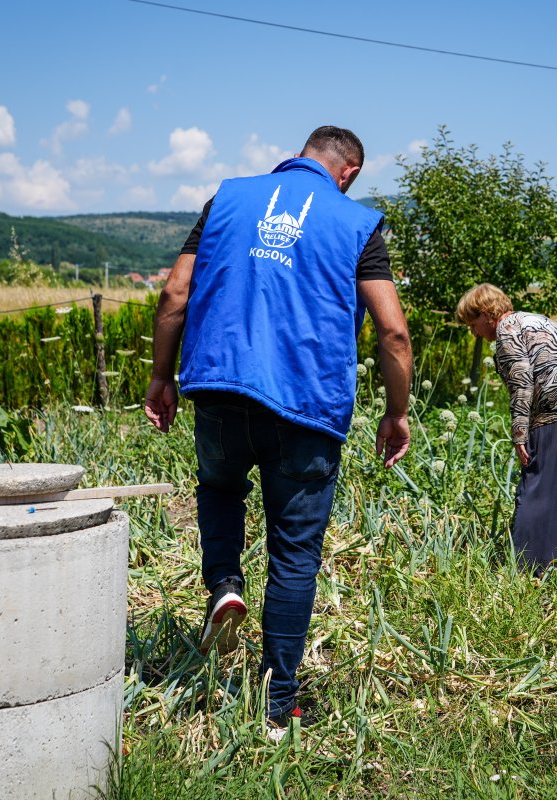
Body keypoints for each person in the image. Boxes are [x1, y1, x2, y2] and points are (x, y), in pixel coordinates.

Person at [144, 126, 412, 729]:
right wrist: (396, 414)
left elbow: (174, 294)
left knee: (217, 489)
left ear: (299, 156)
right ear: (347, 173)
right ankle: (276, 705)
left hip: (217, 388)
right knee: (294, 554)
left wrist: (162, 376)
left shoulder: (227, 199)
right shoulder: (355, 222)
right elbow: (393, 331)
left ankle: (224, 584)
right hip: (305, 405)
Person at [456, 283, 557, 570]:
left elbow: (521, 383)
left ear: (485, 314)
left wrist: (520, 433)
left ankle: (532, 566)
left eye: (473, 324)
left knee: (542, 485)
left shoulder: (507, 331)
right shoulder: (537, 319)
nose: (475, 333)